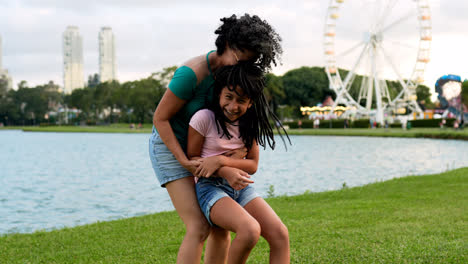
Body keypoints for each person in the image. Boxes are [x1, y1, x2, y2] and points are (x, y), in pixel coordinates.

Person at [149, 14, 282, 264]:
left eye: (251, 60)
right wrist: (187, 161)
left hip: (205, 150)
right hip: (171, 147)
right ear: (228, 45)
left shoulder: (231, 76)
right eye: (242, 57)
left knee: (219, 227)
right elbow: (160, 119)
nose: (244, 65)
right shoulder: (192, 74)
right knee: (199, 227)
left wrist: (224, 158)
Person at [187, 63, 290, 264]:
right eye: (229, 97)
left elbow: (253, 165)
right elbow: (193, 161)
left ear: (250, 103)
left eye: (241, 101)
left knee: (280, 234)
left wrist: (220, 160)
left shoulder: (249, 124)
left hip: (241, 188)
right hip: (210, 189)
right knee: (250, 230)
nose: (233, 106)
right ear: (219, 95)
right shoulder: (203, 119)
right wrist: (226, 170)